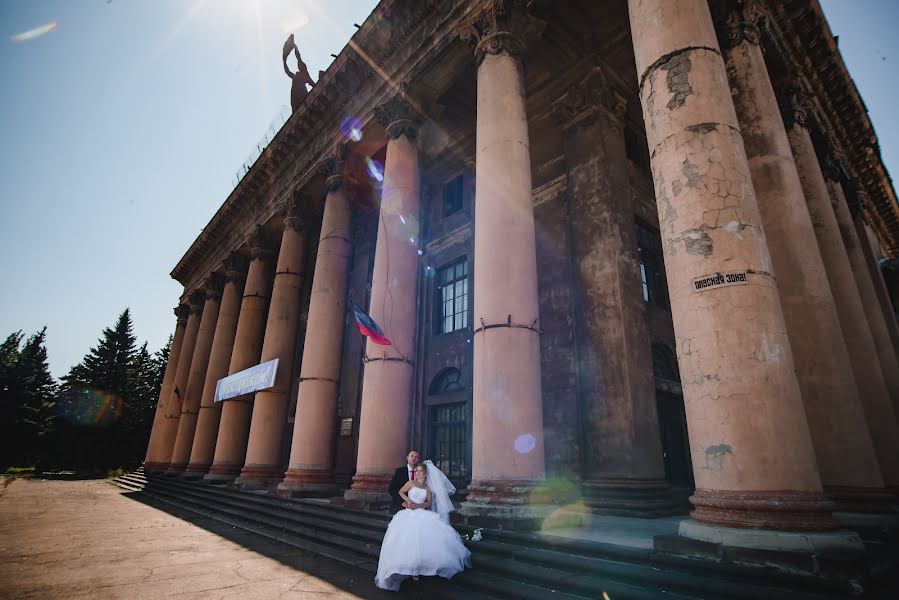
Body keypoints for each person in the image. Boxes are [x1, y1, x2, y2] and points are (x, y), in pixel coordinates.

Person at [375, 461, 472, 591]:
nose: (418, 473)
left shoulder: (427, 489)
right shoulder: (411, 483)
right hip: (408, 514)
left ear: (425, 474)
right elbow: (401, 492)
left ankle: (420, 568)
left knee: (423, 542)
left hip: (421, 513)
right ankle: (407, 568)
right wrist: (408, 501)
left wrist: (418, 506)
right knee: (407, 540)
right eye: (418, 470)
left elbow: (428, 503)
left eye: (421, 471)